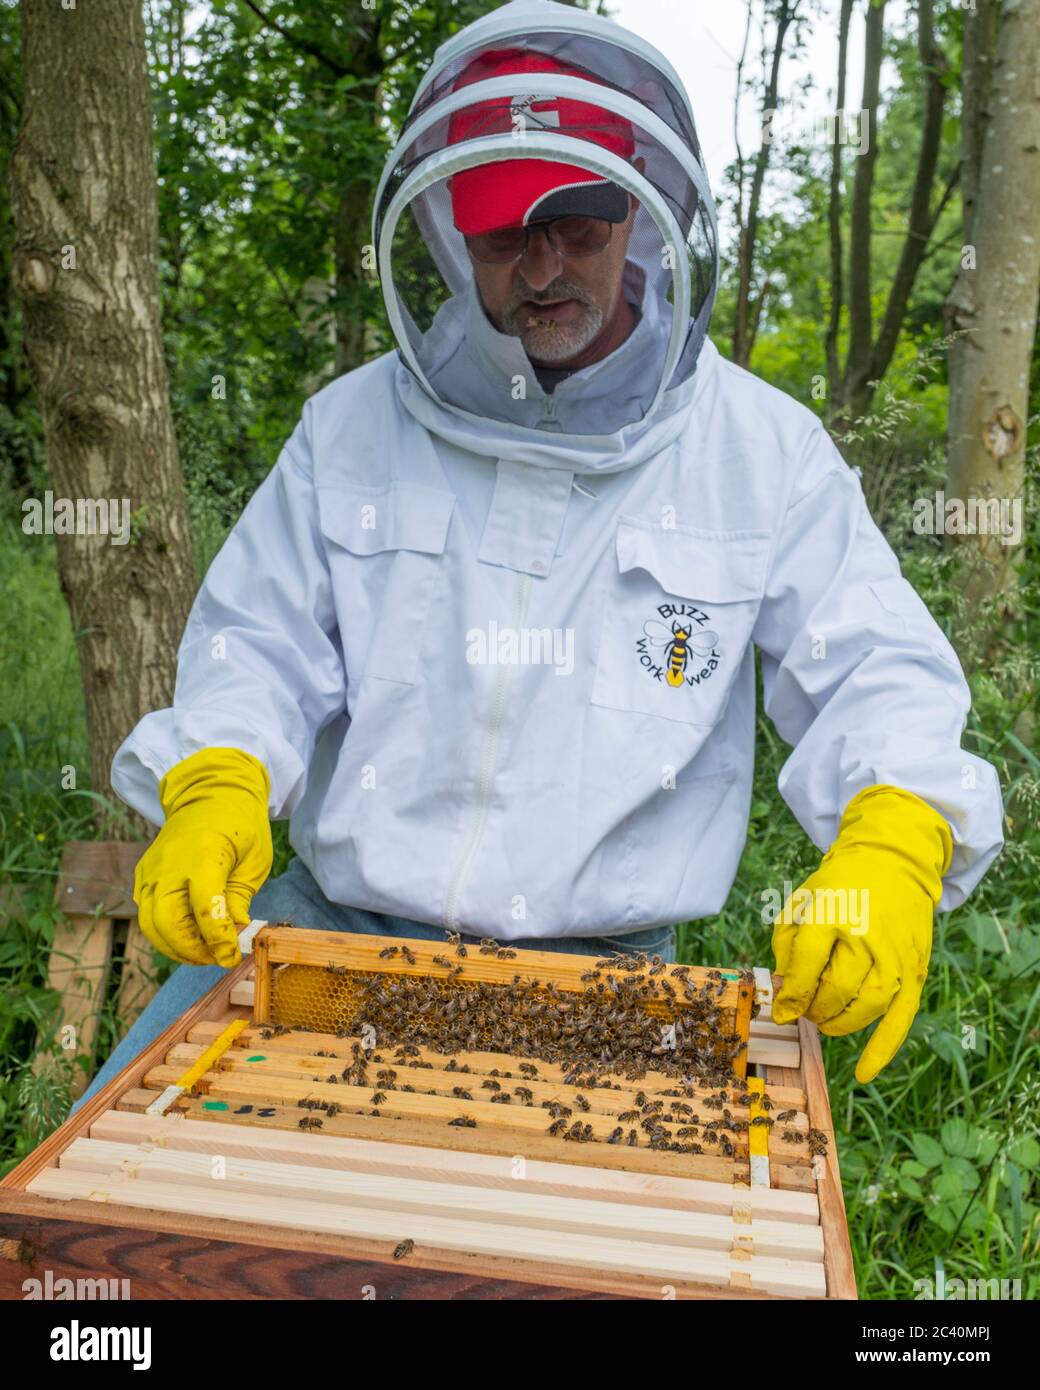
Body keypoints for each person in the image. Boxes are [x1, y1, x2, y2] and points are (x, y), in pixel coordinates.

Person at [73, 0, 1002, 1112]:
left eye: (578, 221)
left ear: (642, 214)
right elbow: (260, 642)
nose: (544, 264)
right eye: (504, 232)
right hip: (322, 946)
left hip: (605, 987)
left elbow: (874, 674)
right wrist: (218, 780)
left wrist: (891, 841)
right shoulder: (351, 428)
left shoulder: (762, 454)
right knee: (102, 1223)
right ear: (449, 235)